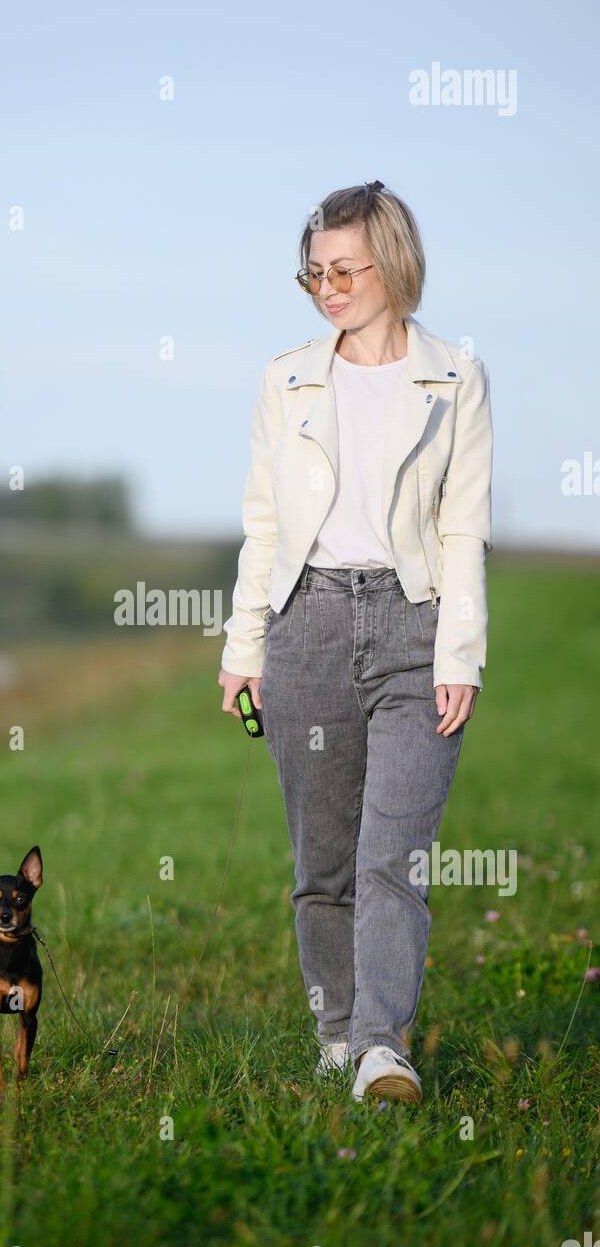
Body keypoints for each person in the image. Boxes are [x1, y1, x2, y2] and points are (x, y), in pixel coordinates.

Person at [218, 180, 493, 1105]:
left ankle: (383, 1047)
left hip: (415, 627)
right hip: (309, 628)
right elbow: (263, 524)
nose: (327, 287)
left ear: (393, 265)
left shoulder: (457, 374)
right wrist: (242, 646)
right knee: (324, 862)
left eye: (343, 269)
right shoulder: (286, 377)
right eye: (313, 273)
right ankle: (335, 1034)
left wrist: (460, 654)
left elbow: (465, 526)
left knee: (395, 856)